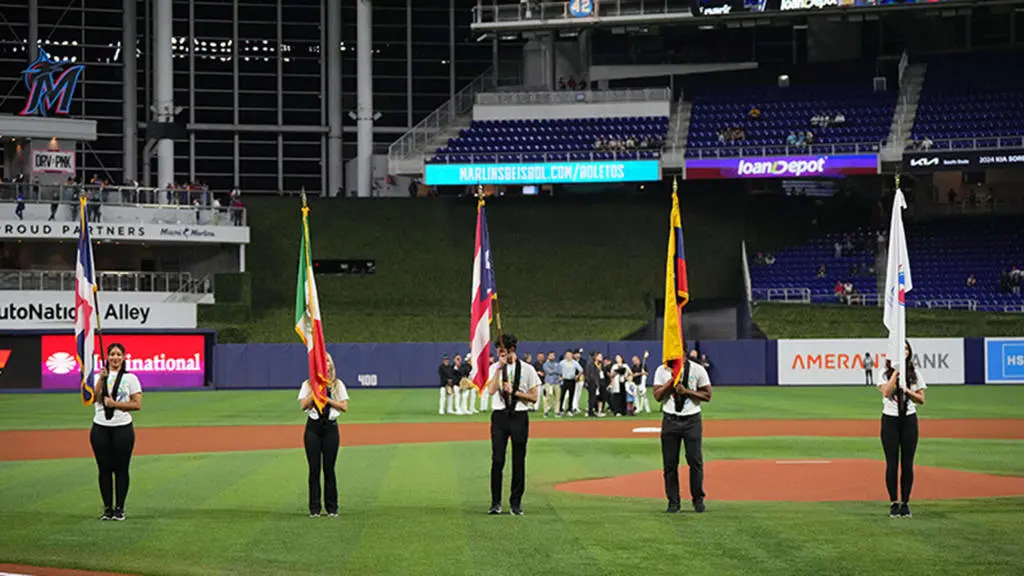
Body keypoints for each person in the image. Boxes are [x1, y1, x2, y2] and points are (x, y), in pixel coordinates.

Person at [652, 346, 712, 514]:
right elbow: (657, 396)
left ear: (684, 353)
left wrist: (686, 391)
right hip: (670, 418)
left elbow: (707, 395)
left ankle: (698, 499)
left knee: (695, 461)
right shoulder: (662, 370)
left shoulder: (697, 369)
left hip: (692, 419)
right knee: (670, 464)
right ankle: (673, 502)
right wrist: (671, 383)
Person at [487, 333, 540, 515]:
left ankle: (515, 503)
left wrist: (516, 393)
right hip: (500, 417)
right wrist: (499, 369)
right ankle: (495, 503)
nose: (500, 355)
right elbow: (491, 390)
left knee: (518, 461)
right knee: (497, 460)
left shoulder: (527, 369)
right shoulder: (495, 367)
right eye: (498, 352)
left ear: (512, 351)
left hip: (519, 416)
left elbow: (534, 397)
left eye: (503, 352)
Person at [90, 342, 143, 521]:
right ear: (107, 357)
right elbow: (93, 398)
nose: (115, 357)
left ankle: (119, 508)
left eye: (118, 354)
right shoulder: (100, 376)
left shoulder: (131, 378)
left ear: (124, 357)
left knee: (121, 469)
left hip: (122, 428)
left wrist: (116, 404)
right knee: (103, 469)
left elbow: (137, 404)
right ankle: (107, 509)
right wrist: (101, 379)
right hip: (100, 427)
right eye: (111, 354)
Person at [877, 341, 926, 518]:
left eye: (906, 349)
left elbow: (922, 399)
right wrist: (897, 372)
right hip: (890, 420)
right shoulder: (883, 373)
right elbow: (886, 392)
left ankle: (905, 502)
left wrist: (908, 391)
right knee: (892, 463)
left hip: (909, 420)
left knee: (908, 463)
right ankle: (893, 502)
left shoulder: (914, 374)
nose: (903, 352)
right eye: (900, 349)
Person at [298, 354, 349, 518]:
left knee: (329, 469)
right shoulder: (308, 384)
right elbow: (303, 405)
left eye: (327, 360)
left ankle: (332, 508)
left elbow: (344, 406)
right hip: (313, 428)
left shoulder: (337, 385)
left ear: (331, 365)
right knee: (314, 469)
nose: (324, 364)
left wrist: (326, 399)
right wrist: (316, 391)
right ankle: (314, 508)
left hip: (330, 428)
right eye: (321, 361)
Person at [557, 350, 582, 417]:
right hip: (564, 380)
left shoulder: (574, 363)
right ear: (565, 355)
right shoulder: (562, 363)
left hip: (572, 380)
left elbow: (581, 370)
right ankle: (560, 410)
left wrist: (577, 376)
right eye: (567, 355)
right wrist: (560, 376)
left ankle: (569, 410)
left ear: (572, 355)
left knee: (571, 396)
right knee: (562, 396)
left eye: (570, 355)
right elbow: (557, 370)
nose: (569, 356)